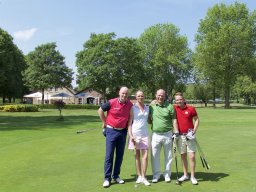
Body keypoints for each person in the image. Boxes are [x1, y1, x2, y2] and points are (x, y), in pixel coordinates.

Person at [98, 86, 133, 188]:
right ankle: (107, 178)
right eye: (123, 93)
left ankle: (116, 176)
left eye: (126, 94)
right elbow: (100, 110)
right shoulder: (112, 102)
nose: (124, 95)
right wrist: (104, 122)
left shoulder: (130, 104)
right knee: (109, 155)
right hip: (111, 131)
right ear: (119, 93)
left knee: (120, 156)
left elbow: (131, 117)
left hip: (122, 132)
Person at [149, 89, 179, 183]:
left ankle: (167, 174)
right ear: (155, 95)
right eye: (158, 95)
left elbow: (174, 120)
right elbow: (149, 119)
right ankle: (156, 174)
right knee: (154, 156)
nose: (160, 97)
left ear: (165, 96)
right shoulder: (152, 106)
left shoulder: (170, 106)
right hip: (155, 135)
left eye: (162, 95)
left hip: (168, 134)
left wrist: (176, 131)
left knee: (169, 156)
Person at [174, 92, 199, 185]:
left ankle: (192, 176)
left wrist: (194, 131)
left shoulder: (191, 108)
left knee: (191, 156)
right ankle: (185, 175)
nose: (179, 101)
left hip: (190, 135)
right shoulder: (174, 108)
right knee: (183, 155)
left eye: (180, 99)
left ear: (183, 99)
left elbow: (197, 120)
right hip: (180, 136)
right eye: (177, 100)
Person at [128, 90, 150, 186]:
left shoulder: (147, 108)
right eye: (139, 96)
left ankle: (144, 177)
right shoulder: (132, 108)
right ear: (136, 97)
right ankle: (139, 176)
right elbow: (129, 123)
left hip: (145, 134)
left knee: (145, 156)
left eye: (142, 96)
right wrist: (131, 135)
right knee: (137, 156)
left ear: (144, 97)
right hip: (135, 134)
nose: (140, 97)